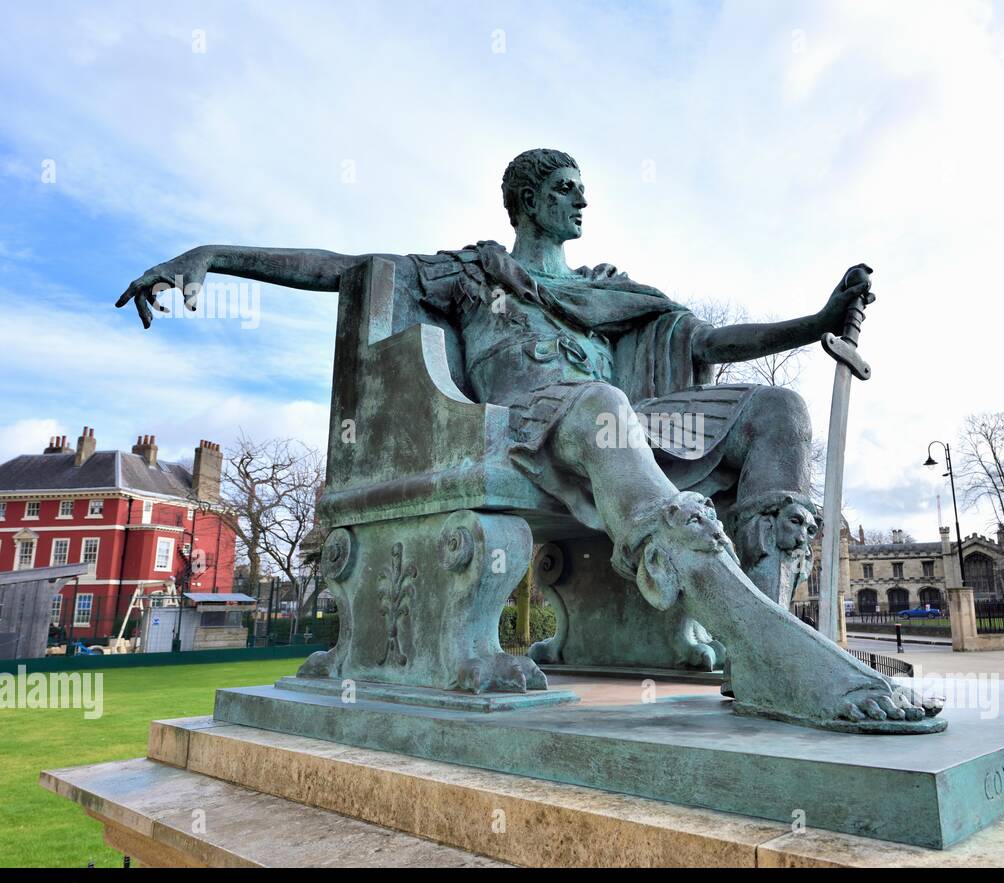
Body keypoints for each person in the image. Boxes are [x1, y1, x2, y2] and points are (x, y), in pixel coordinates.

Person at [115, 148, 941, 732]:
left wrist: (819, 321)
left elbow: (710, 344)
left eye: (585, 190)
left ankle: (762, 640)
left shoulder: (601, 292)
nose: (584, 203)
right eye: (568, 189)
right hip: (521, 425)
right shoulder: (472, 272)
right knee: (602, 401)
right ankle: (760, 643)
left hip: (615, 425)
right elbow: (346, 266)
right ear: (529, 200)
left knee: (778, 412)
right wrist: (211, 254)